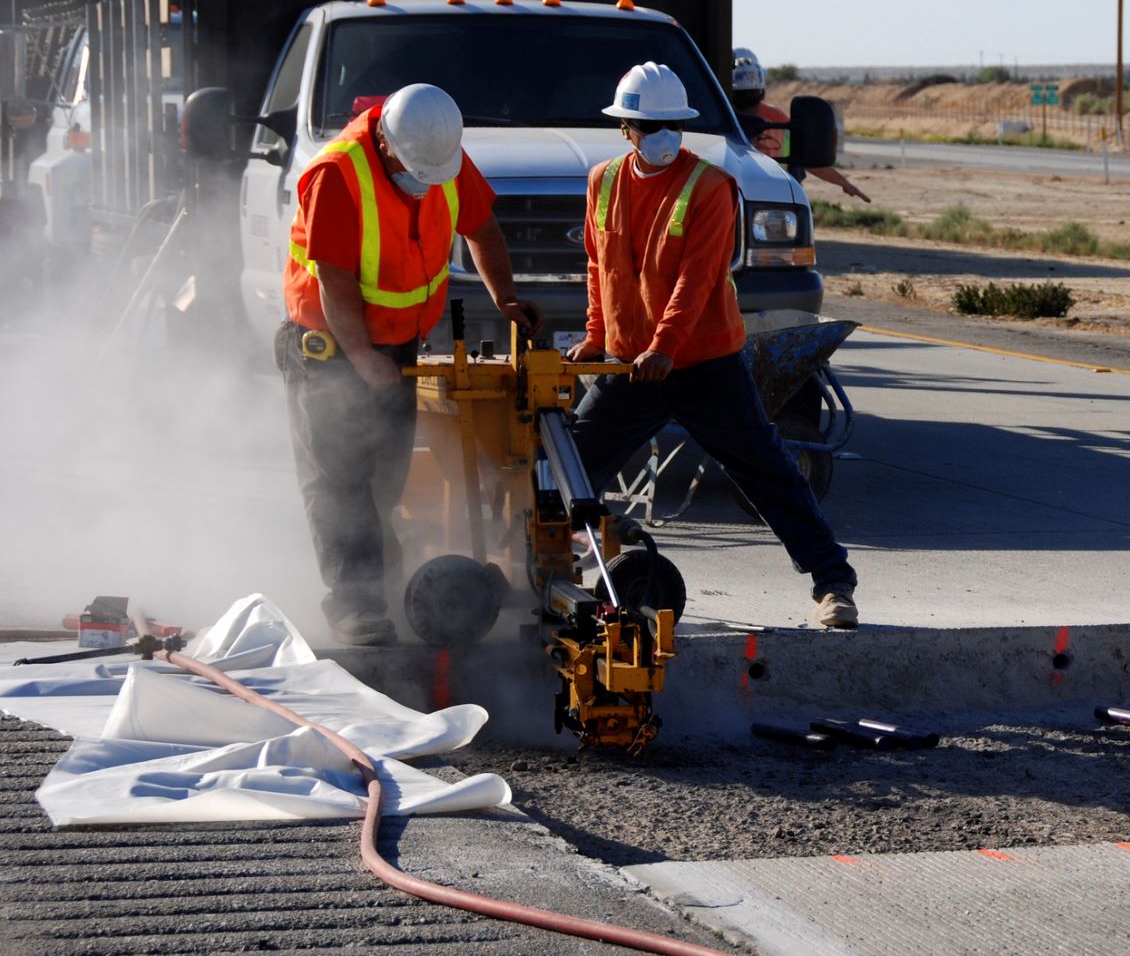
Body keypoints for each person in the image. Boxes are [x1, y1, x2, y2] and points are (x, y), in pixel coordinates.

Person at [565, 62, 860, 629]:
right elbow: (600, 266)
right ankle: (544, 563)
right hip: (631, 364)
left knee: (764, 469)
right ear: (625, 128)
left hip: (702, 362)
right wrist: (598, 336)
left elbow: (696, 280)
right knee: (567, 471)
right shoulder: (602, 180)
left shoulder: (710, 185)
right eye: (649, 126)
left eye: (671, 123)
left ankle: (834, 584)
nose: (661, 136)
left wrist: (665, 347)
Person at [279, 83, 536, 646]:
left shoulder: (439, 153)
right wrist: (362, 356)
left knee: (383, 478)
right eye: (416, 170)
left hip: (394, 347)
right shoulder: (338, 176)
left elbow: (481, 228)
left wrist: (506, 299)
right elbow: (334, 280)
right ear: (389, 145)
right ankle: (355, 605)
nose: (426, 183)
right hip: (328, 346)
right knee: (339, 479)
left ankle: (383, 584)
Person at [731, 47, 871, 202]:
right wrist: (844, 183)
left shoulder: (716, 120)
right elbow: (810, 159)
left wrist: (844, 183)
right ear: (762, 90)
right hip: (776, 200)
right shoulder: (779, 120)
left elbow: (808, 158)